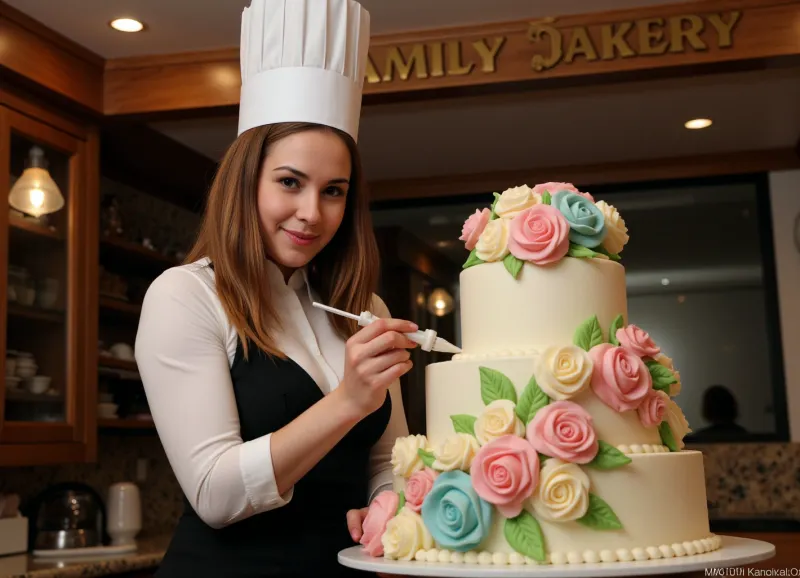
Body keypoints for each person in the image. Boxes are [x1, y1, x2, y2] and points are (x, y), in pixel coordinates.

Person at [134, 1, 416, 576]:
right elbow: (213, 494)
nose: (312, 213)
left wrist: (390, 500)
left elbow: (388, 457)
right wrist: (346, 402)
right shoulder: (184, 296)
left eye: (333, 191)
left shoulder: (366, 311)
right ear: (246, 182)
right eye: (290, 182)